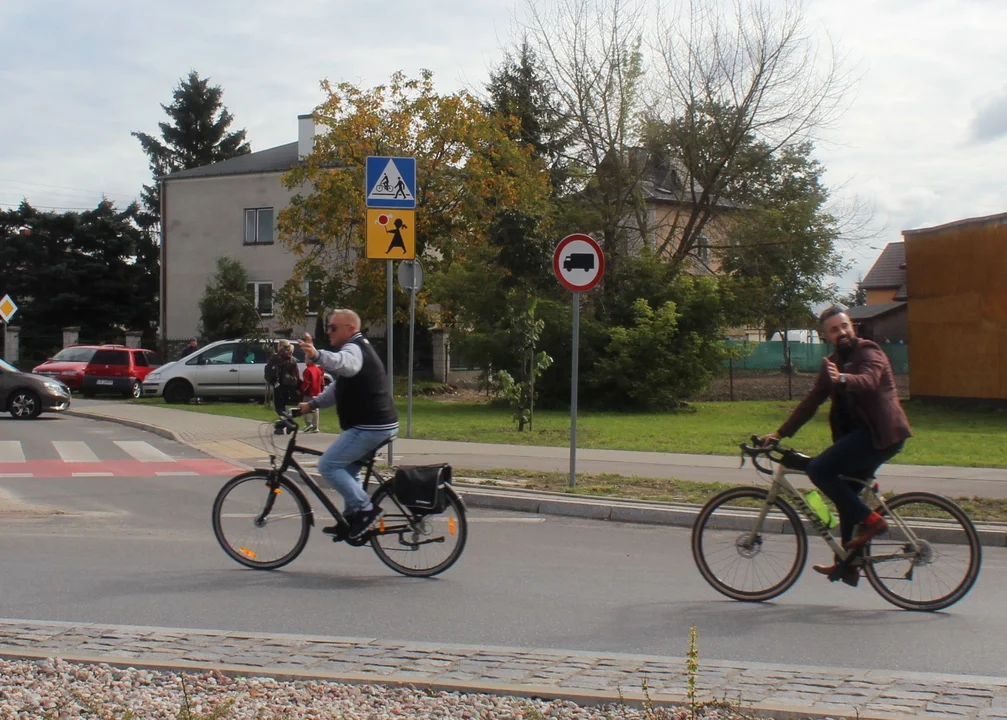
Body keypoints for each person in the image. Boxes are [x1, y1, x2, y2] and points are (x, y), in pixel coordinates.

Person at [762, 304, 912, 586]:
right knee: (846, 495)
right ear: (826, 336)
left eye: (844, 326)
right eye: (834, 329)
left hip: (881, 434)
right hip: (862, 436)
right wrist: (780, 433)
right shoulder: (832, 363)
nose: (841, 332)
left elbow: (868, 381)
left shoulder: (869, 351)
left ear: (851, 326)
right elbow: (811, 403)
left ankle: (872, 521)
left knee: (819, 470)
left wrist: (841, 378)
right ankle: (848, 563)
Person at [298, 310, 398, 538]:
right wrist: (311, 405)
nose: (329, 332)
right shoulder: (357, 347)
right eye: (328, 327)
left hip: (370, 427)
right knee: (346, 469)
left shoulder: (354, 349)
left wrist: (316, 355)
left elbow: (347, 365)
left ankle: (365, 508)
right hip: (378, 424)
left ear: (350, 329)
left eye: (334, 327)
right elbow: (337, 389)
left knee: (328, 466)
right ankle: (353, 518)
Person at [264, 340, 301, 421]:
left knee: (279, 408)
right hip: (289, 386)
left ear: (280, 346)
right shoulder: (292, 359)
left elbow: (269, 370)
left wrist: (272, 381)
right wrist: (297, 387)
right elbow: (296, 374)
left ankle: (288, 421)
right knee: (283, 405)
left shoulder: (276, 357)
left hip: (278, 385)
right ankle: (282, 426)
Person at [299, 349, 324, 433]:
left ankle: (308, 423)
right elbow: (322, 381)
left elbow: (306, 383)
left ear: (307, 361)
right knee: (316, 409)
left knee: (303, 407)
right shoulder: (318, 370)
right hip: (317, 392)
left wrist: (301, 390)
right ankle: (316, 426)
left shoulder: (307, 370)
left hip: (309, 393)